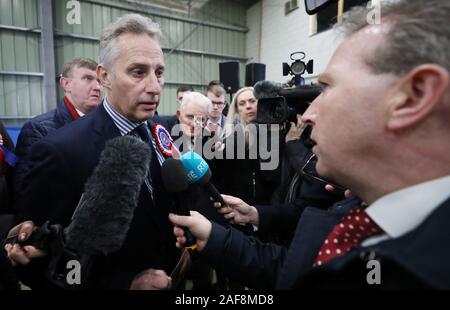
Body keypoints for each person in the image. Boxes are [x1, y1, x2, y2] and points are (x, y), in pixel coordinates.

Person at [169, 0, 450, 289]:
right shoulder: (355, 212)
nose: (309, 115)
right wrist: (214, 236)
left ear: (414, 96)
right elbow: (293, 272)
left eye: (327, 89)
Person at [15, 14, 180, 289]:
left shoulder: (159, 129)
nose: (154, 87)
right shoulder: (59, 151)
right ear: (105, 76)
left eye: (159, 72)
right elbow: (36, 265)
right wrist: (123, 284)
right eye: (138, 72)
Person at [13, 58, 102, 200]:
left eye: (99, 81)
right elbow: (24, 190)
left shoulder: (104, 126)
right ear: (66, 84)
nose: (97, 87)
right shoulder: (38, 129)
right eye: (87, 79)